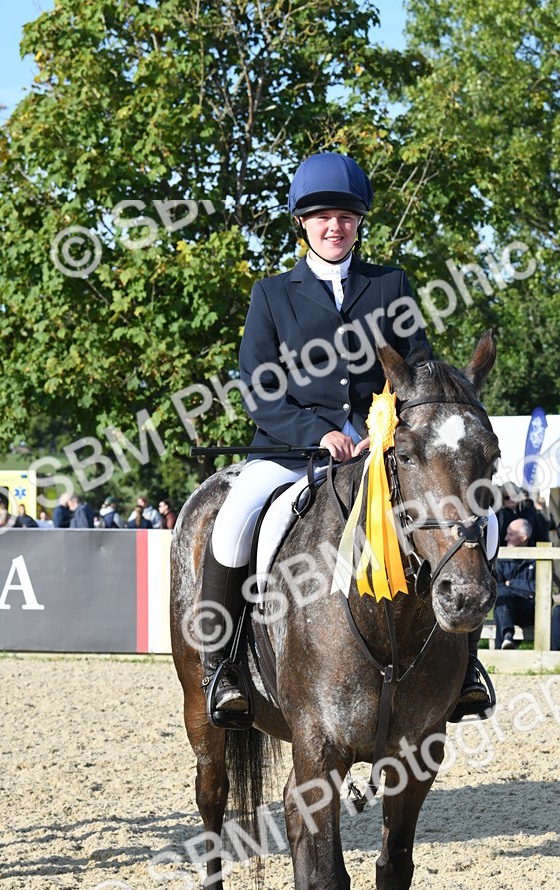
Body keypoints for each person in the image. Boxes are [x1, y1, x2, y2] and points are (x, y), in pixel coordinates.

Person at [197, 150, 488, 728]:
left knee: (482, 522)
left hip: (382, 453)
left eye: (347, 217)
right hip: (291, 454)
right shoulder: (272, 295)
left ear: (359, 224)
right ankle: (223, 666)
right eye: (323, 216)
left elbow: (419, 371)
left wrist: (397, 428)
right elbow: (259, 389)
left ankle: (466, 667)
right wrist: (321, 433)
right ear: (302, 223)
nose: (336, 227)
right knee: (233, 522)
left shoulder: (389, 285)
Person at [493, 518, 535, 648]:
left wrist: (510, 583)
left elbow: (539, 589)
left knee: (504, 598)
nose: (506, 538)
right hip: (508, 608)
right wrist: (522, 588)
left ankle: (503, 647)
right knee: (502, 599)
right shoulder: (501, 557)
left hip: (529, 610)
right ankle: (507, 637)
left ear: (523, 537)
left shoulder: (538, 557)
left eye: (511, 534)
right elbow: (497, 586)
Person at [497, 482, 551, 546]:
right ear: (502, 500)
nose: (511, 499)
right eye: (507, 497)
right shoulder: (499, 515)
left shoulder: (529, 511)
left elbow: (540, 533)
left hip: (529, 551)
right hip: (505, 551)